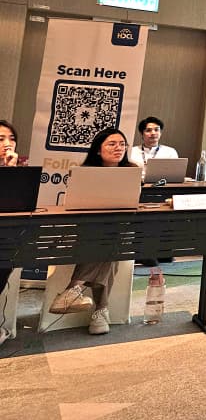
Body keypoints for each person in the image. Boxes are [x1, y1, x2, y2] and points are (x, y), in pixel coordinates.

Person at [49, 127, 138, 336]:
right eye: (112, 144)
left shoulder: (132, 170)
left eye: (122, 144)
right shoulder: (83, 172)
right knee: (108, 243)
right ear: (98, 149)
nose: (119, 148)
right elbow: (73, 204)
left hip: (119, 229)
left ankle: (73, 289)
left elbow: (134, 202)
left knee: (112, 236)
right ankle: (100, 311)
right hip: (88, 231)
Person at [0, 119, 20, 347]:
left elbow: (17, 204)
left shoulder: (15, 170)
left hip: (4, 236)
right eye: (1, 139)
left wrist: (10, 170)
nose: (8, 143)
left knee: (5, 260)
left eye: (12, 139)